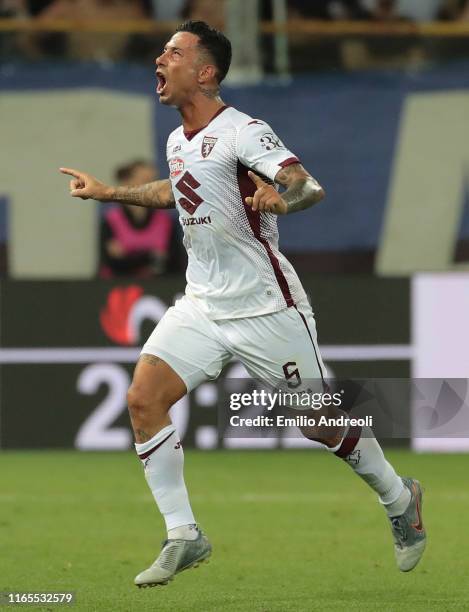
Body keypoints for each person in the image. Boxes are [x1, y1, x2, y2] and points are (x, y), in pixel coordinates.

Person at [60, 20, 426, 588]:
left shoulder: (243, 131)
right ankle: (184, 534)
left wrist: (281, 200)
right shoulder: (179, 139)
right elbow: (175, 191)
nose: (159, 59)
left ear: (205, 73)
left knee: (320, 424)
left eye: (173, 52)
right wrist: (109, 192)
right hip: (202, 305)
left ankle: (400, 498)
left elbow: (308, 186)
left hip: (265, 307)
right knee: (142, 399)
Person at [99, 160, 174, 278]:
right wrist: (151, 256)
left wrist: (129, 254)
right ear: (125, 182)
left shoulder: (166, 221)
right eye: (144, 181)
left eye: (154, 182)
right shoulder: (110, 220)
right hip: (118, 287)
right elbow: (112, 262)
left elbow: (174, 262)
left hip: (157, 288)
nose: (150, 188)